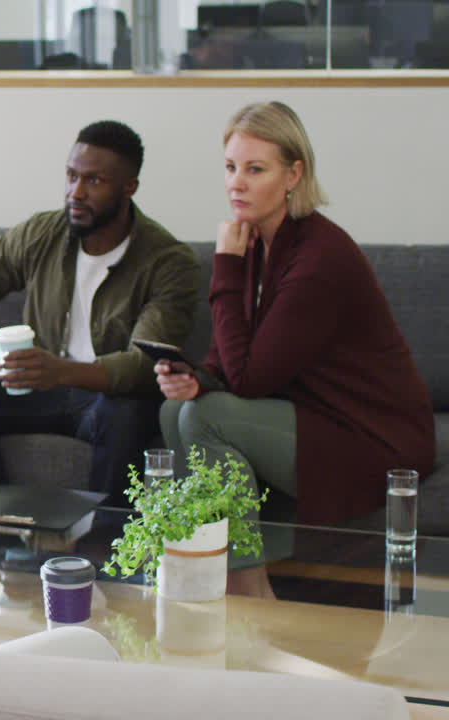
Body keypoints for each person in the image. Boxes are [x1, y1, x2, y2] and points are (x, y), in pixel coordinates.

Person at [156, 101, 434, 597]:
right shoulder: (260, 242)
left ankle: (247, 584)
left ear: (293, 174)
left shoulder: (318, 257)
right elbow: (234, 353)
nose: (235, 183)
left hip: (369, 438)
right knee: (174, 407)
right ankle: (205, 565)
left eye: (254, 169)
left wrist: (225, 264)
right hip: (312, 415)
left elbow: (251, 378)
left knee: (203, 418)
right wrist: (197, 377)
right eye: (230, 167)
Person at [0, 121, 201, 498]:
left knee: (126, 414)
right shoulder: (43, 233)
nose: (76, 193)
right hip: (38, 386)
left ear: (129, 188)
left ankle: (107, 544)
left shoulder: (169, 261)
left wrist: (61, 371)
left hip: (106, 397)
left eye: (94, 181)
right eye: (71, 176)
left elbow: (144, 363)